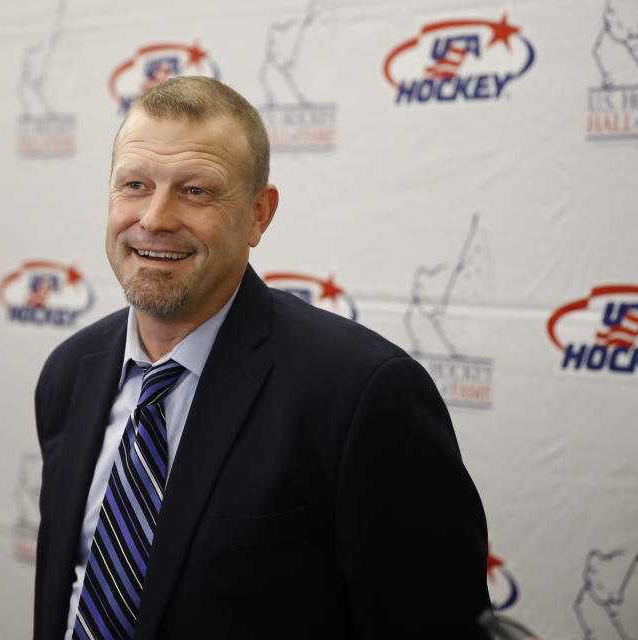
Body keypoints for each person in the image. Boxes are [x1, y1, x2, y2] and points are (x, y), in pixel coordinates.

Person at [33, 76, 489, 640]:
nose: (154, 218)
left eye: (195, 190)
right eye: (134, 184)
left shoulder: (363, 395)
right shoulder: (69, 373)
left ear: (258, 215)